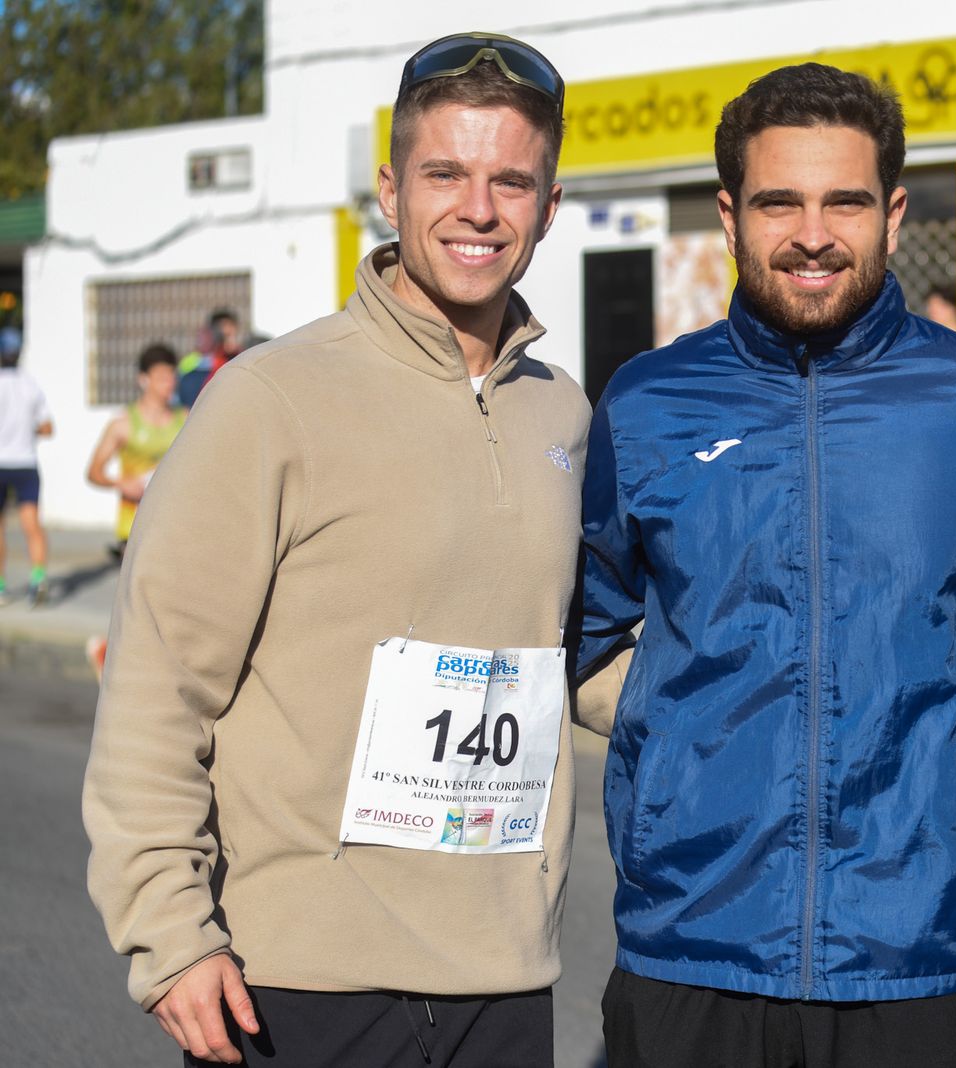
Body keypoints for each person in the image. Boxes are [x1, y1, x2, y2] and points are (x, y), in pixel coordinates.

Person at [83, 32, 587, 1066]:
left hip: (505, 979)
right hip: (298, 987)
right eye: (445, 174)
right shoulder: (270, 400)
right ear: (391, 189)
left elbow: (573, 656)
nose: (478, 209)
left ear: (550, 203)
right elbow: (159, 681)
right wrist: (170, 937)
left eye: (511, 181)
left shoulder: (565, 417)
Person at [576, 63, 956, 1067]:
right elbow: (583, 623)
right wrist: (674, 767)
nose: (812, 234)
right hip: (690, 946)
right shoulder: (646, 402)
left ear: (894, 215)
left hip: (920, 954)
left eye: (843, 202)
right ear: (730, 213)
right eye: (779, 202)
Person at [86, 343, 188, 557]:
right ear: (143, 379)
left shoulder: (186, 419)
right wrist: (121, 483)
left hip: (177, 525)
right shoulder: (123, 423)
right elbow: (93, 472)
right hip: (134, 527)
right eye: (161, 378)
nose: (168, 383)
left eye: (171, 377)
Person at [0, 333, 53, 606]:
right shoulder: (31, 385)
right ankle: (38, 579)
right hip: (25, 463)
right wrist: (25, 429)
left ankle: (0, 587)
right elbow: (47, 428)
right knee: (31, 524)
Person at [176, 308, 245, 408]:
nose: (227, 341)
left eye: (230, 336)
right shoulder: (191, 362)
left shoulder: (242, 357)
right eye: (223, 337)